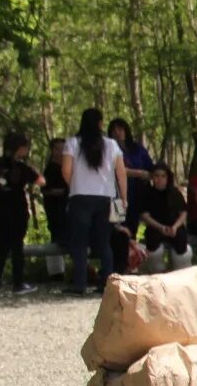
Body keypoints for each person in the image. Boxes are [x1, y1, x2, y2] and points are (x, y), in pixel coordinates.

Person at [61, 107, 128, 294]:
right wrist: (124, 198)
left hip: (80, 197)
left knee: (79, 242)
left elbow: (66, 170)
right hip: (105, 198)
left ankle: (80, 284)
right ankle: (106, 283)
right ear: (100, 124)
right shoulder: (112, 145)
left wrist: (74, 184)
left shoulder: (72, 143)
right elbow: (121, 173)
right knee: (104, 242)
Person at [0, 133, 43, 294]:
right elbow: (41, 181)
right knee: (17, 246)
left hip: (2, 208)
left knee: (3, 246)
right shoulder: (21, 167)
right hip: (18, 209)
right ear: (19, 148)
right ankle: (18, 283)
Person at [137, 164, 193, 273]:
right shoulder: (147, 193)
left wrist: (175, 227)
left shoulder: (175, 193)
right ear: (152, 177)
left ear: (168, 178)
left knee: (183, 253)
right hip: (155, 228)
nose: (160, 179)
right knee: (154, 252)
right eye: (157, 176)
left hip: (175, 227)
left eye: (163, 176)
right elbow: (145, 216)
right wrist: (160, 227)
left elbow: (183, 212)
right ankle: (158, 276)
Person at [111, 118, 153, 236]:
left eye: (120, 129)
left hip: (138, 194)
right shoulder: (109, 150)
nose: (117, 133)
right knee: (119, 228)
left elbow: (150, 168)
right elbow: (116, 170)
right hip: (116, 194)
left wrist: (149, 175)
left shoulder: (138, 148)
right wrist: (139, 173)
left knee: (133, 226)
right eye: (113, 131)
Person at [40, 137, 70, 278]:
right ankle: (56, 272)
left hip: (68, 209)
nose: (61, 152)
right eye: (58, 149)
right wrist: (65, 192)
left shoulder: (68, 167)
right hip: (55, 208)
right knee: (57, 237)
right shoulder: (51, 169)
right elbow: (47, 190)